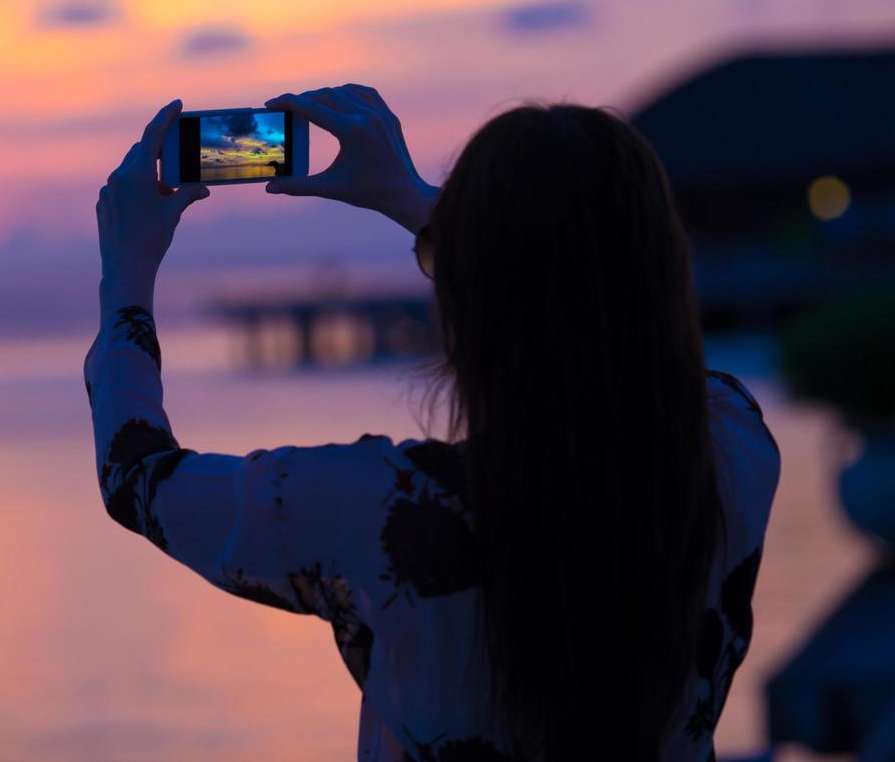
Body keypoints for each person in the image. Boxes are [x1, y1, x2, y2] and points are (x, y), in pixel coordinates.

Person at [85, 87, 779, 761]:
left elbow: (138, 477)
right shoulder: (732, 452)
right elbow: (605, 334)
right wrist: (414, 201)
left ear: (464, 308)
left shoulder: (384, 511)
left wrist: (126, 277)